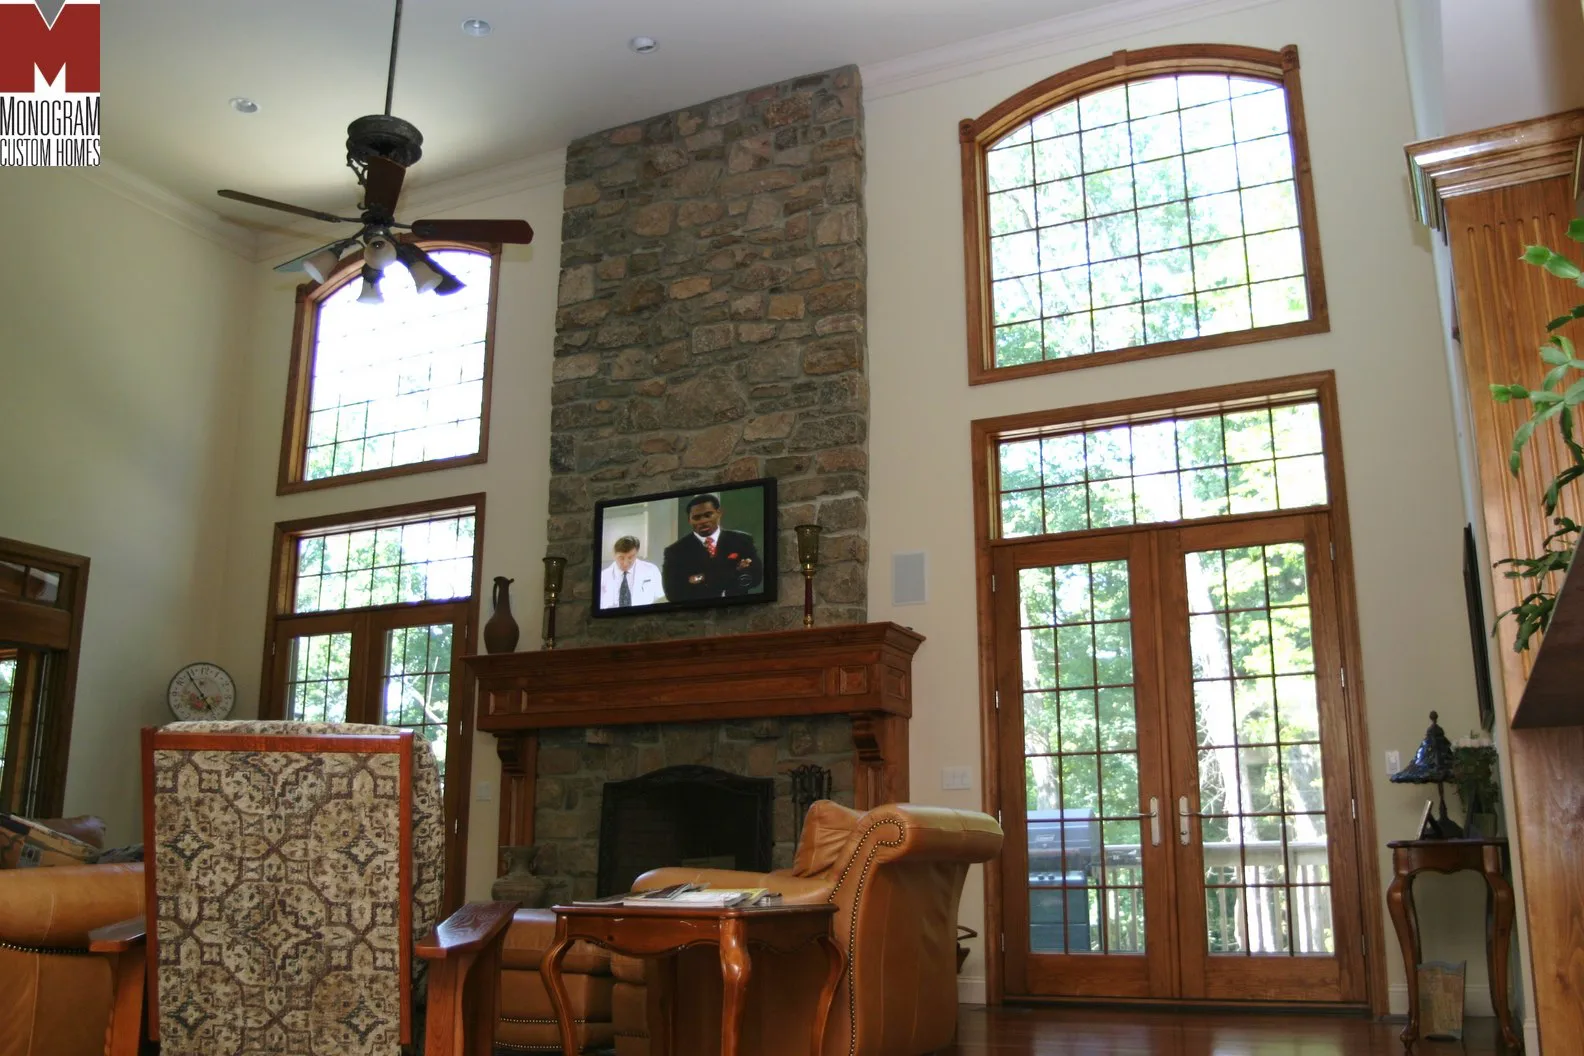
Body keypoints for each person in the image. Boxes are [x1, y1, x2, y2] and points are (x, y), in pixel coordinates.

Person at [661, 494, 762, 602]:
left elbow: (755, 577)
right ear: (689, 520)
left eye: (708, 515)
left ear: (719, 513)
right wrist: (735, 571)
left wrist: (701, 578)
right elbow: (673, 594)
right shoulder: (675, 551)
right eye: (696, 518)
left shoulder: (742, 540)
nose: (703, 521)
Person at [598, 536, 664, 609]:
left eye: (630, 557)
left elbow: (660, 600)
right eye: (621, 558)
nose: (625, 563)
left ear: (636, 554)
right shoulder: (603, 576)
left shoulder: (652, 570)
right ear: (614, 555)